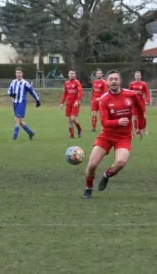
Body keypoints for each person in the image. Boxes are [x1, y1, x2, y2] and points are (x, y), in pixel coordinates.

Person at [82, 70, 145, 198]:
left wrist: (141, 126)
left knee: (121, 162)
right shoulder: (104, 99)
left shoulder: (131, 95)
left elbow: (140, 109)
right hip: (106, 136)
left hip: (123, 137)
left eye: (116, 79)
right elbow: (104, 122)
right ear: (107, 82)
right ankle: (88, 188)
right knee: (92, 164)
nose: (114, 81)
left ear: (120, 81)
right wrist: (118, 121)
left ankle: (107, 175)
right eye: (111, 79)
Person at [8, 67, 41, 140]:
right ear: (15, 74)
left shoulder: (25, 83)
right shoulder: (13, 82)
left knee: (16, 119)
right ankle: (30, 133)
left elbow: (32, 91)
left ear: (22, 74)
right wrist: (11, 94)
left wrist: (37, 100)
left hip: (21, 103)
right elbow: (9, 91)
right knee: (19, 121)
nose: (18, 74)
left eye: (20, 73)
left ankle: (14, 139)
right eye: (17, 73)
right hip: (15, 103)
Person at [59, 70, 84, 138]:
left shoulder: (77, 82)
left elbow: (81, 93)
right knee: (69, 120)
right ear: (68, 74)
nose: (71, 75)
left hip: (75, 104)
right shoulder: (66, 83)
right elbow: (65, 94)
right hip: (68, 104)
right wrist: (61, 103)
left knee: (73, 119)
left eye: (73, 73)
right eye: (70, 73)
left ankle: (79, 129)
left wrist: (77, 101)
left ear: (75, 75)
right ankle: (71, 135)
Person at [128, 71, 150, 135]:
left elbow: (147, 93)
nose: (137, 77)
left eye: (138, 75)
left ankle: (144, 130)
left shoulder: (143, 84)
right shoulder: (132, 84)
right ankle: (136, 130)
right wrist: (129, 101)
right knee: (134, 117)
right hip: (134, 103)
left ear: (140, 76)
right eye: (136, 75)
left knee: (144, 117)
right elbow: (129, 93)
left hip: (141, 103)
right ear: (134, 76)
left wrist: (147, 100)